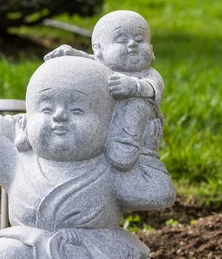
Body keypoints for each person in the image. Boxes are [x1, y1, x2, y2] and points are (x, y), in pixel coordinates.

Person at [0, 57, 211, 259]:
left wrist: (144, 151)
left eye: (78, 110)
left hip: (99, 250)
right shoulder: (18, 161)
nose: (59, 116)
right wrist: (20, 127)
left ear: (110, 125)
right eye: (46, 109)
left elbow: (160, 196)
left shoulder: (110, 168)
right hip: (32, 247)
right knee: (3, 254)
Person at [44, 10, 164, 171]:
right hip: (102, 122)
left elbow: (154, 89)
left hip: (144, 123)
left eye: (139, 40)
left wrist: (134, 87)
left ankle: (125, 144)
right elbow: (88, 61)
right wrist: (71, 54)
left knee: (137, 105)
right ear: (98, 50)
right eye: (122, 40)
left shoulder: (148, 74)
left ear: (151, 48)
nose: (132, 45)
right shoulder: (101, 65)